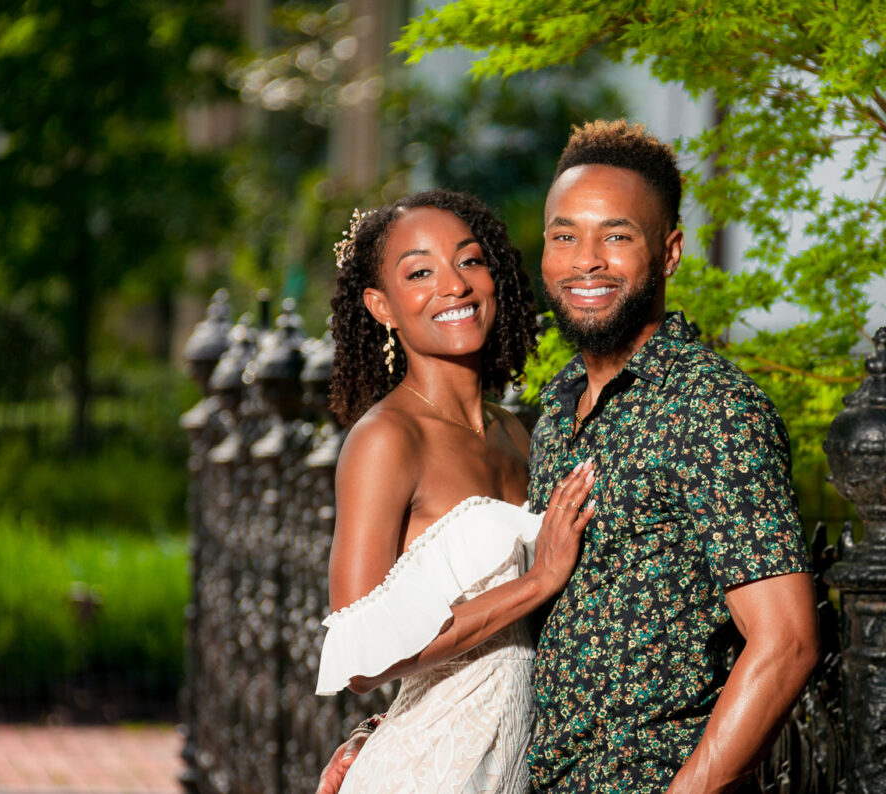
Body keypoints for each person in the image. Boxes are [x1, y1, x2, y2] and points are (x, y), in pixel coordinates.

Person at [523, 120, 819, 793]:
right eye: (564, 236)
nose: (586, 260)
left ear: (670, 251)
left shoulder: (711, 407)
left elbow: (788, 641)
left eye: (616, 236)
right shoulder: (554, 412)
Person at [314, 189, 597, 794]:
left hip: (517, 763)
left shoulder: (518, 433)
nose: (454, 286)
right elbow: (361, 655)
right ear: (381, 305)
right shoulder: (386, 440)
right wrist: (538, 581)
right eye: (420, 272)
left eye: (468, 261)